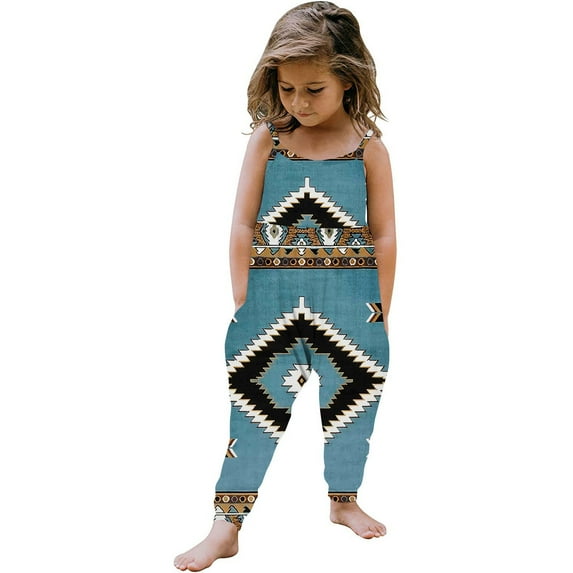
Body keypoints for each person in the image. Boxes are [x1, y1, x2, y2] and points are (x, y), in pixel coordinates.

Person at [174, 2, 396, 570]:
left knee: (353, 407)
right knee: (252, 414)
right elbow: (242, 222)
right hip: (268, 304)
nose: (299, 102)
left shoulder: (368, 150)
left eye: (314, 89)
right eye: (288, 88)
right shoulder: (267, 141)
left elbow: (384, 232)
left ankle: (343, 500)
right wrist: (243, 297)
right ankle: (226, 525)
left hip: (352, 307)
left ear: (349, 79)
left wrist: (382, 309)